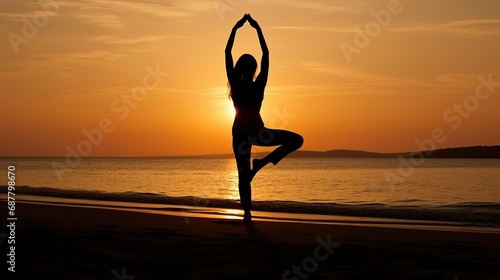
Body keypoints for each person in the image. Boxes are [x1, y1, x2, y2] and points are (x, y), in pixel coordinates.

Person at [225, 14, 304, 223]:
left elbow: (227, 52)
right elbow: (266, 53)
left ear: (240, 68)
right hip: (255, 134)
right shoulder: (257, 84)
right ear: (252, 70)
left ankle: (248, 211)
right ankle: (248, 211)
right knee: (297, 140)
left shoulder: (237, 84)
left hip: (245, 134)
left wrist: (237, 28)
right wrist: (257, 29)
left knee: (244, 174)